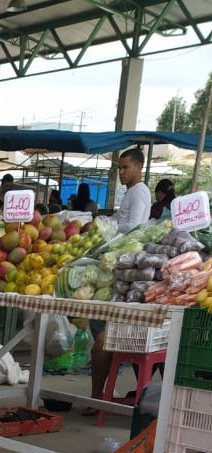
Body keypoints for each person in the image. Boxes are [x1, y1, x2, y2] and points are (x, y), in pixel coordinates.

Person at [86, 148, 153, 414]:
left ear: (139, 166)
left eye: (126, 167)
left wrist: (108, 226)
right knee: (98, 327)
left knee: (103, 336)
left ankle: (99, 397)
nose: (121, 172)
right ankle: (103, 394)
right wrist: (107, 221)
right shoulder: (130, 192)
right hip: (117, 263)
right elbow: (122, 220)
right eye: (119, 168)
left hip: (128, 265)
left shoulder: (140, 192)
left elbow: (134, 226)